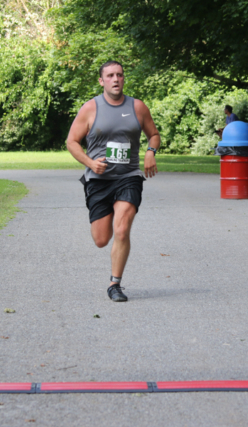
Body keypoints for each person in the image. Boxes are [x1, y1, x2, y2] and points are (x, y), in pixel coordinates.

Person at [66, 60, 161, 302]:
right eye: (110, 76)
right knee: (101, 239)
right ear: (101, 81)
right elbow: (72, 142)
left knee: (122, 228)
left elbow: (154, 134)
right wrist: (90, 163)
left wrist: (151, 152)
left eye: (119, 75)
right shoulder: (90, 108)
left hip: (129, 177)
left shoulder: (137, 107)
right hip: (98, 179)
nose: (116, 79)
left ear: (123, 78)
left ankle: (115, 284)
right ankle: (113, 276)